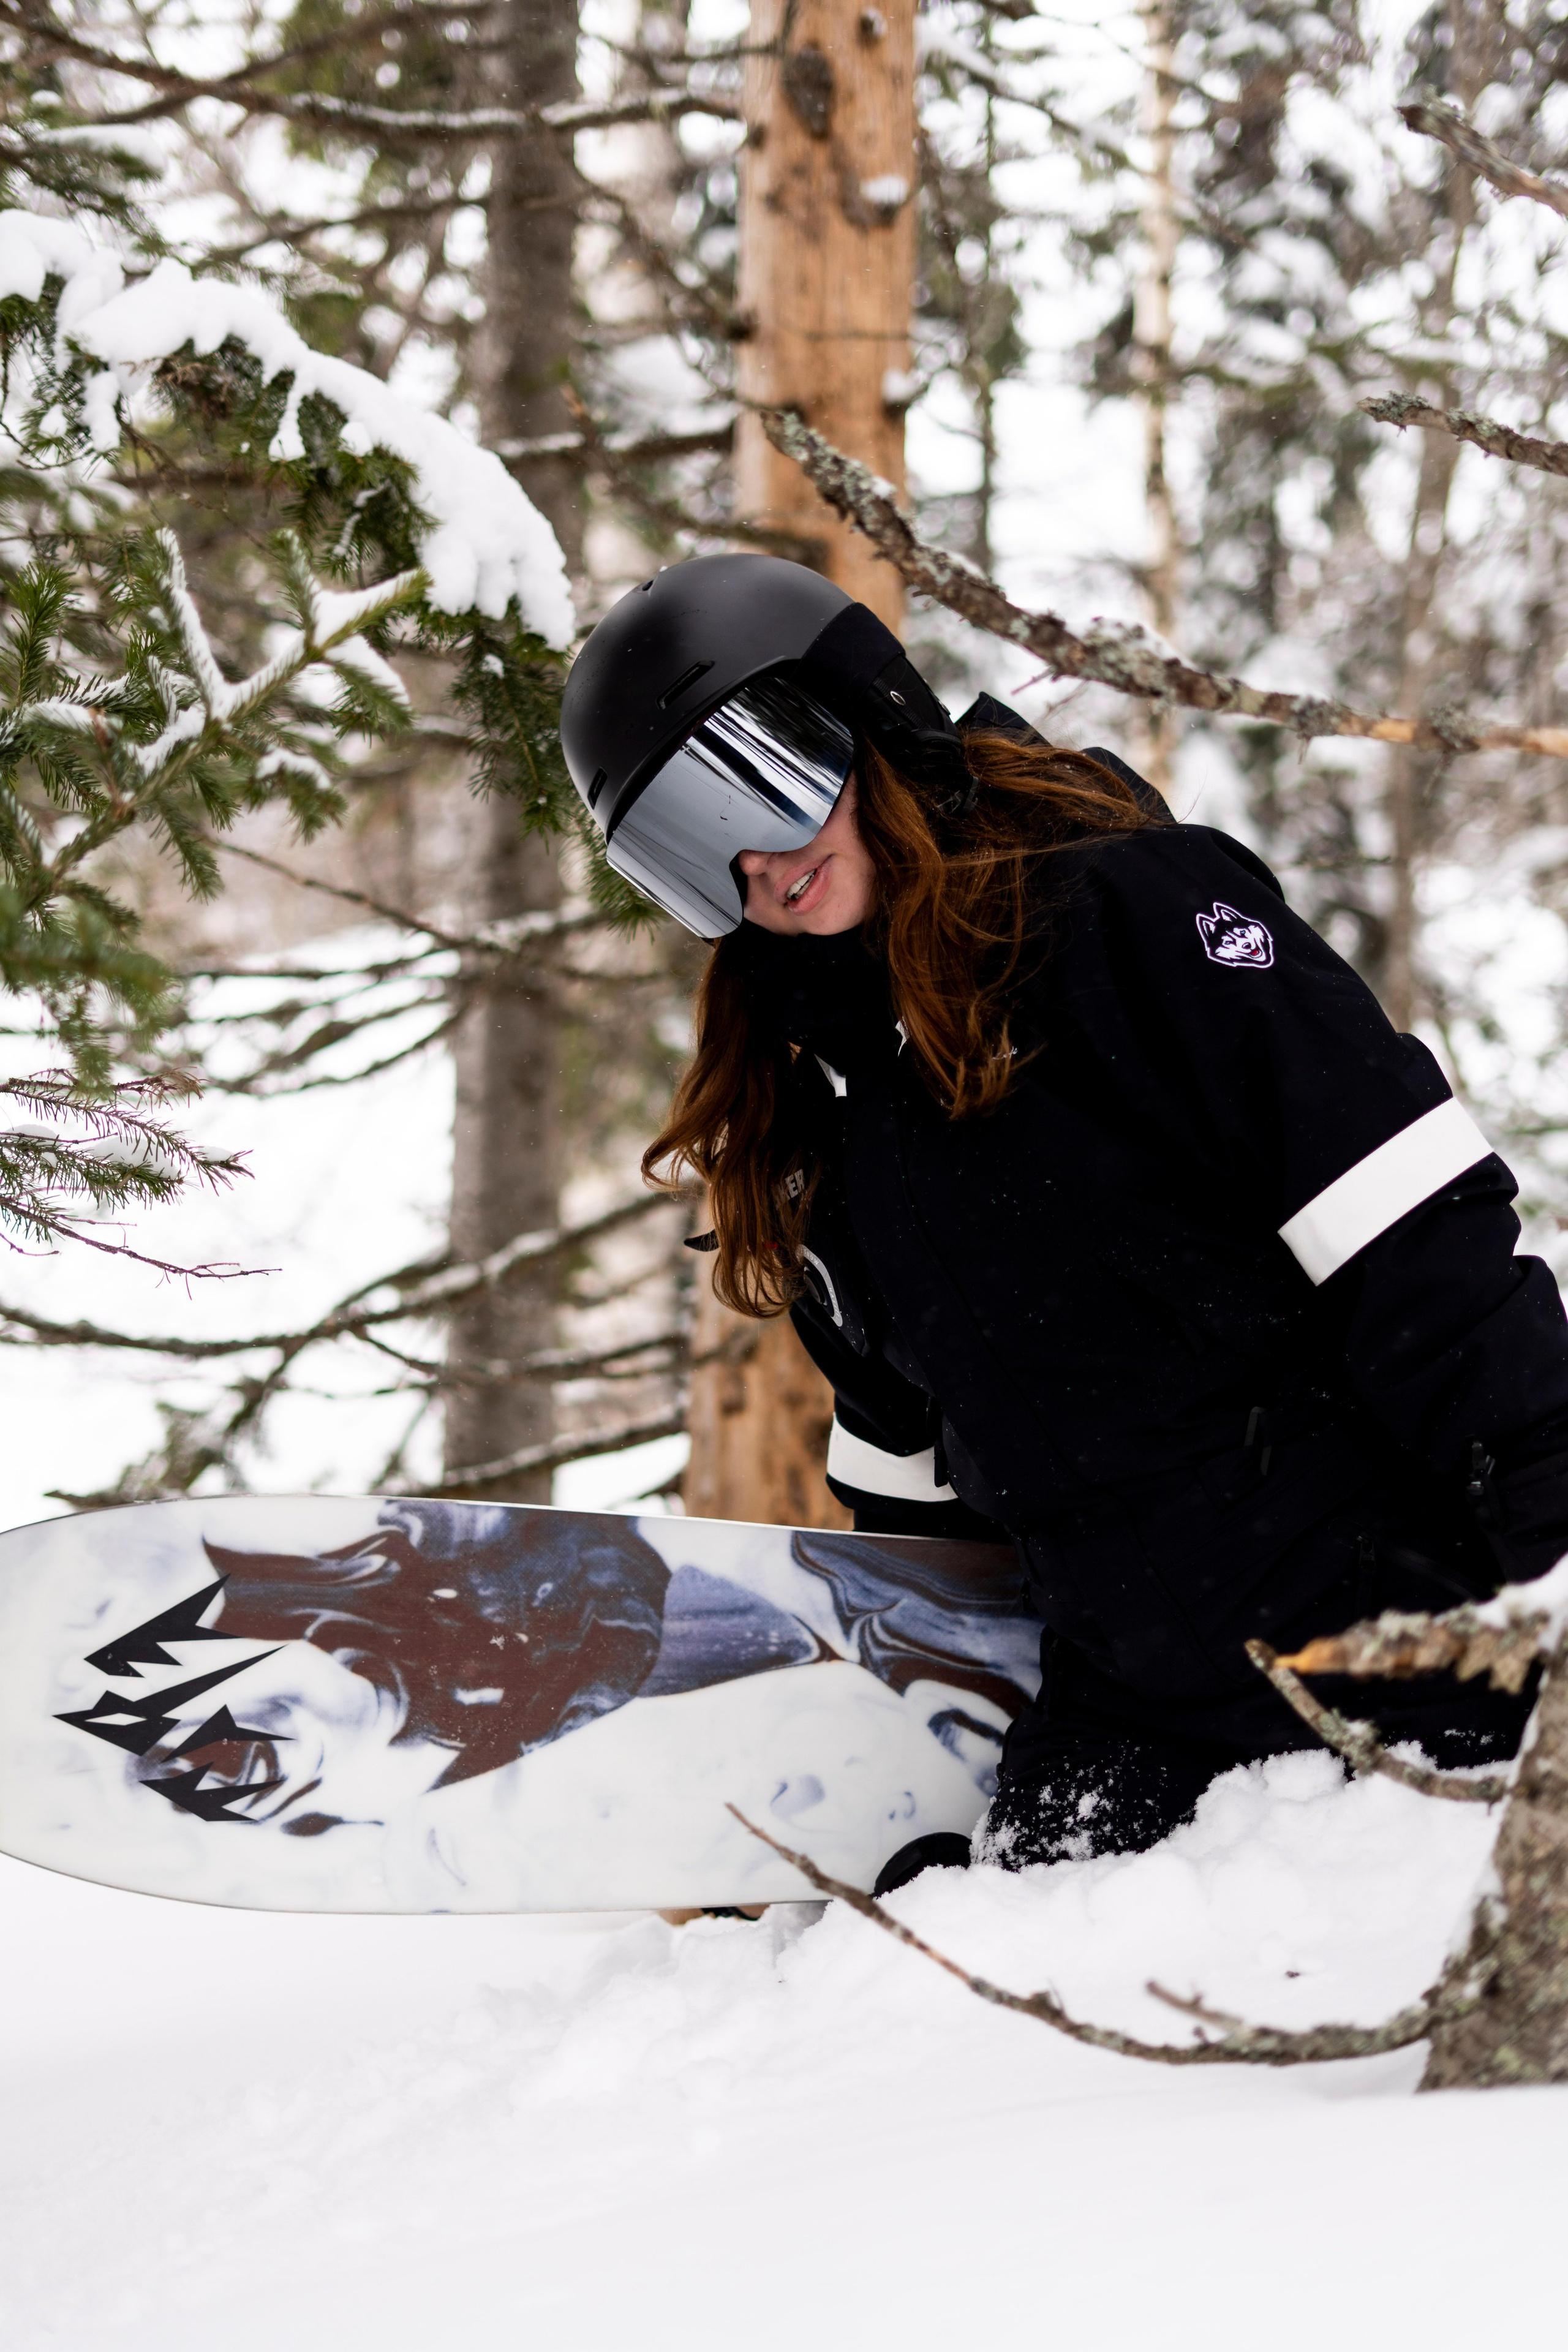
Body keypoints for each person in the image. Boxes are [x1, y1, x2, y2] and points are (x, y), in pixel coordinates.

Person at [560, 552, 1568, 1892]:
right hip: (1133, 1712)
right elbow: (906, 1485)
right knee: (948, 2013)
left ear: (869, 715)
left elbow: (1420, 1248)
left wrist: (1546, 1568)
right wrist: (916, 1739)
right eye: (686, 849)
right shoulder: (822, 1122)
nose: (754, 859)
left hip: (1391, 1634)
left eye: (756, 777)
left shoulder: (1134, 913)